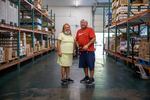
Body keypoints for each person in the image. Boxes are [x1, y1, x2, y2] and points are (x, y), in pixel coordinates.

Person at [76, 19, 96, 85]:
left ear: (87, 24)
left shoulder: (90, 30)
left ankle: (91, 78)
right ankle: (86, 76)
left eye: (84, 23)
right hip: (82, 51)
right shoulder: (78, 31)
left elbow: (93, 38)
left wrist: (87, 45)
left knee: (91, 65)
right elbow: (76, 39)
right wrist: (77, 44)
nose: (83, 24)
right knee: (84, 65)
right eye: (81, 23)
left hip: (89, 51)